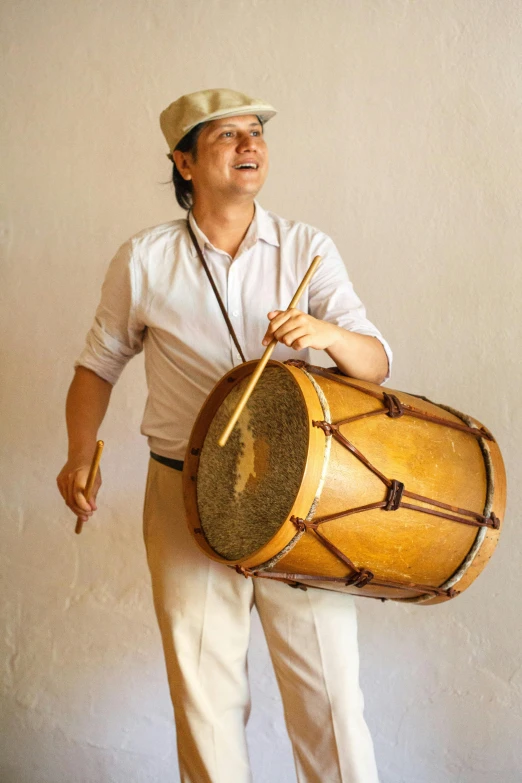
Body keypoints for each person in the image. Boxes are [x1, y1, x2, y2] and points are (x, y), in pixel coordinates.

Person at [57, 88, 392, 783]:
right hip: (186, 492)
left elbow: (378, 363)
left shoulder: (308, 246)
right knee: (206, 706)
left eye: (255, 134)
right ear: (183, 162)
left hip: (303, 495)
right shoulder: (142, 259)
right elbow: (95, 367)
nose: (250, 146)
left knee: (330, 701)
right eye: (226, 137)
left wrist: (328, 335)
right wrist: (76, 453)